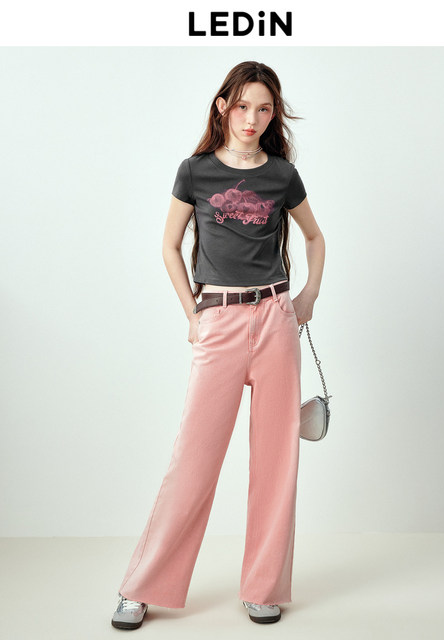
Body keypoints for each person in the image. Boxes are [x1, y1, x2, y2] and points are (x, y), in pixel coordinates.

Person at [111, 60, 325, 629]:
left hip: (275, 319)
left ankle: (263, 586)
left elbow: (314, 237)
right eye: (242, 105)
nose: (252, 118)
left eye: (264, 108)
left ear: (273, 114)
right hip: (219, 320)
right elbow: (169, 245)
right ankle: (141, 586)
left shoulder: (282, 175)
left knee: (277, 461)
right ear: (223, 106)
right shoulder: (196, 171)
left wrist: (307, 296)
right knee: (194, 457)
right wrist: (193, 314)